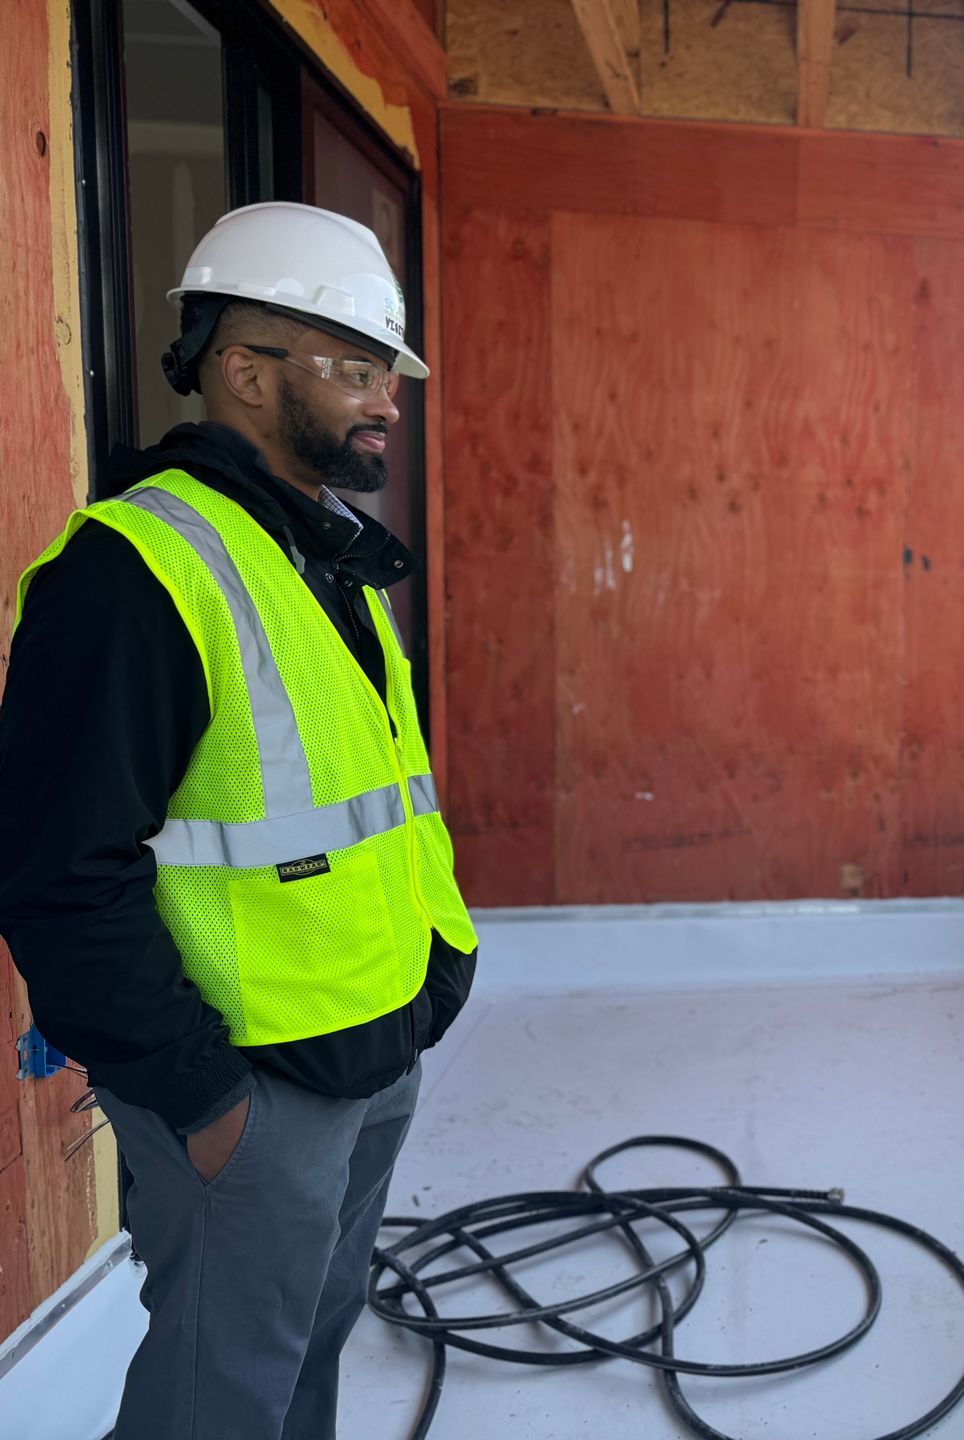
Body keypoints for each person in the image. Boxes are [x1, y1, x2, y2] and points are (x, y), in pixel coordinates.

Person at [0, 203, 480, 1440]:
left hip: (369, 1054)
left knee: (306, 1353)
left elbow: (378, 805)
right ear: (247, 372)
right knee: (218, 1402)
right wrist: (203, 1102)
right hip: (249, 1092)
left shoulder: (326, 556)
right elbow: (61, 873)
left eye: (387, 374)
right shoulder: (134, 572)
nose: (387, 403)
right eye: (358, 369)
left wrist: (437, 972)